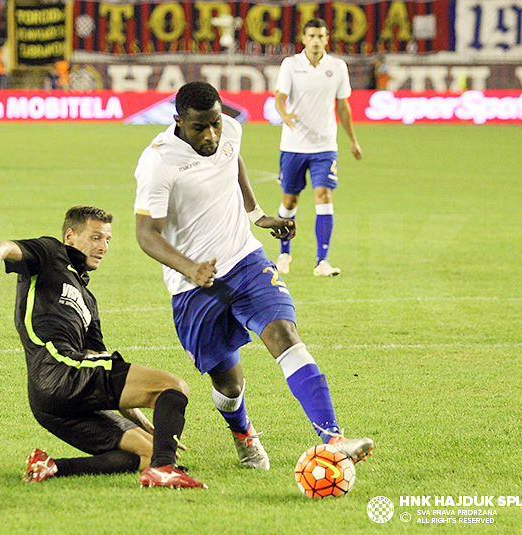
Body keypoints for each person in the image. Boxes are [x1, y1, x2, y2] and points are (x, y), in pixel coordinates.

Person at [134, 81, 373, 471]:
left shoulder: (230, 130)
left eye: (216, 123)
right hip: (194, 287)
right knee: (228, 385)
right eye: (201, 128)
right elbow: (146, 234)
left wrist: (256, 214)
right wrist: (190, 268)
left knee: (285, 335)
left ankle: (334, 439)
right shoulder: (159, 162)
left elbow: (234, 161)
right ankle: (242, 431)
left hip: (244, 259)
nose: (212, 134)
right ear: (178, 121)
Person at [0, 206, 206, 489]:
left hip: (53, 399)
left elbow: (99, 360)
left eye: (107, 240)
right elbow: (4, 246)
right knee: (173, 387)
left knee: (148, 451)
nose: (103, 246)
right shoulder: (50, 253)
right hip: (61, 371)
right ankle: (164, 470)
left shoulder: (88, 301)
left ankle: (52, 467)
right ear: (70, 236)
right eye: (95, 237)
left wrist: (141, 420)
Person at [274, 18, 363, 277]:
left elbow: (343, 106)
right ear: (303, 38)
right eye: (311, 35)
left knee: (324, 195)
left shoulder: (338, 67)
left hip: (325, 145)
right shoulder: (291, 65)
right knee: (290, 199)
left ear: (327, 39)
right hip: (293, 144)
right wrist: (285, 115)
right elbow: (280, 98)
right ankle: (284, 253)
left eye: (320, 36)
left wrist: (352, 140)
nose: (316, 40)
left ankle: (322, 261)